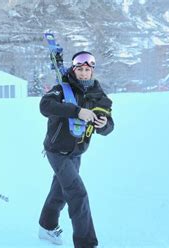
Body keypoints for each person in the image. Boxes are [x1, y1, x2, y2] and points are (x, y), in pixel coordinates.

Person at [38, 51, 114, 248]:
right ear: (74, 70)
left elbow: (109, 126)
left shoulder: (98, 95)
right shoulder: (63, 89)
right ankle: (86, 244)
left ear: (92, 71)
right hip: (56, 150)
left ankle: (46, 226)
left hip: (77, 152)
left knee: (60, 191)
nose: (83, 73)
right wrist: (77, 111)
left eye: (87, 70)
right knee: (77, 194)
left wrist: (103, 124)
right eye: (79, 69)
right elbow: (45, 106)